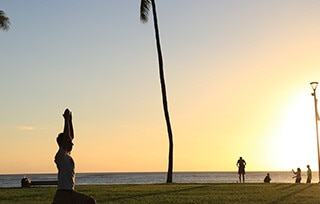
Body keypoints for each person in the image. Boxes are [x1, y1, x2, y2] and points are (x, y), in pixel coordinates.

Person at [53, 109, 96, 204]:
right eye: (70, 143)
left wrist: (70, 121)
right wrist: (66, 120)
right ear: (64, 143)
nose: (73, 144)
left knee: (90, 202)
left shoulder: (67, 156)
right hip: (63, 195)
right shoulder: (61, 156)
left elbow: (70, 136)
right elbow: (67, 138)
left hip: (71, 193)